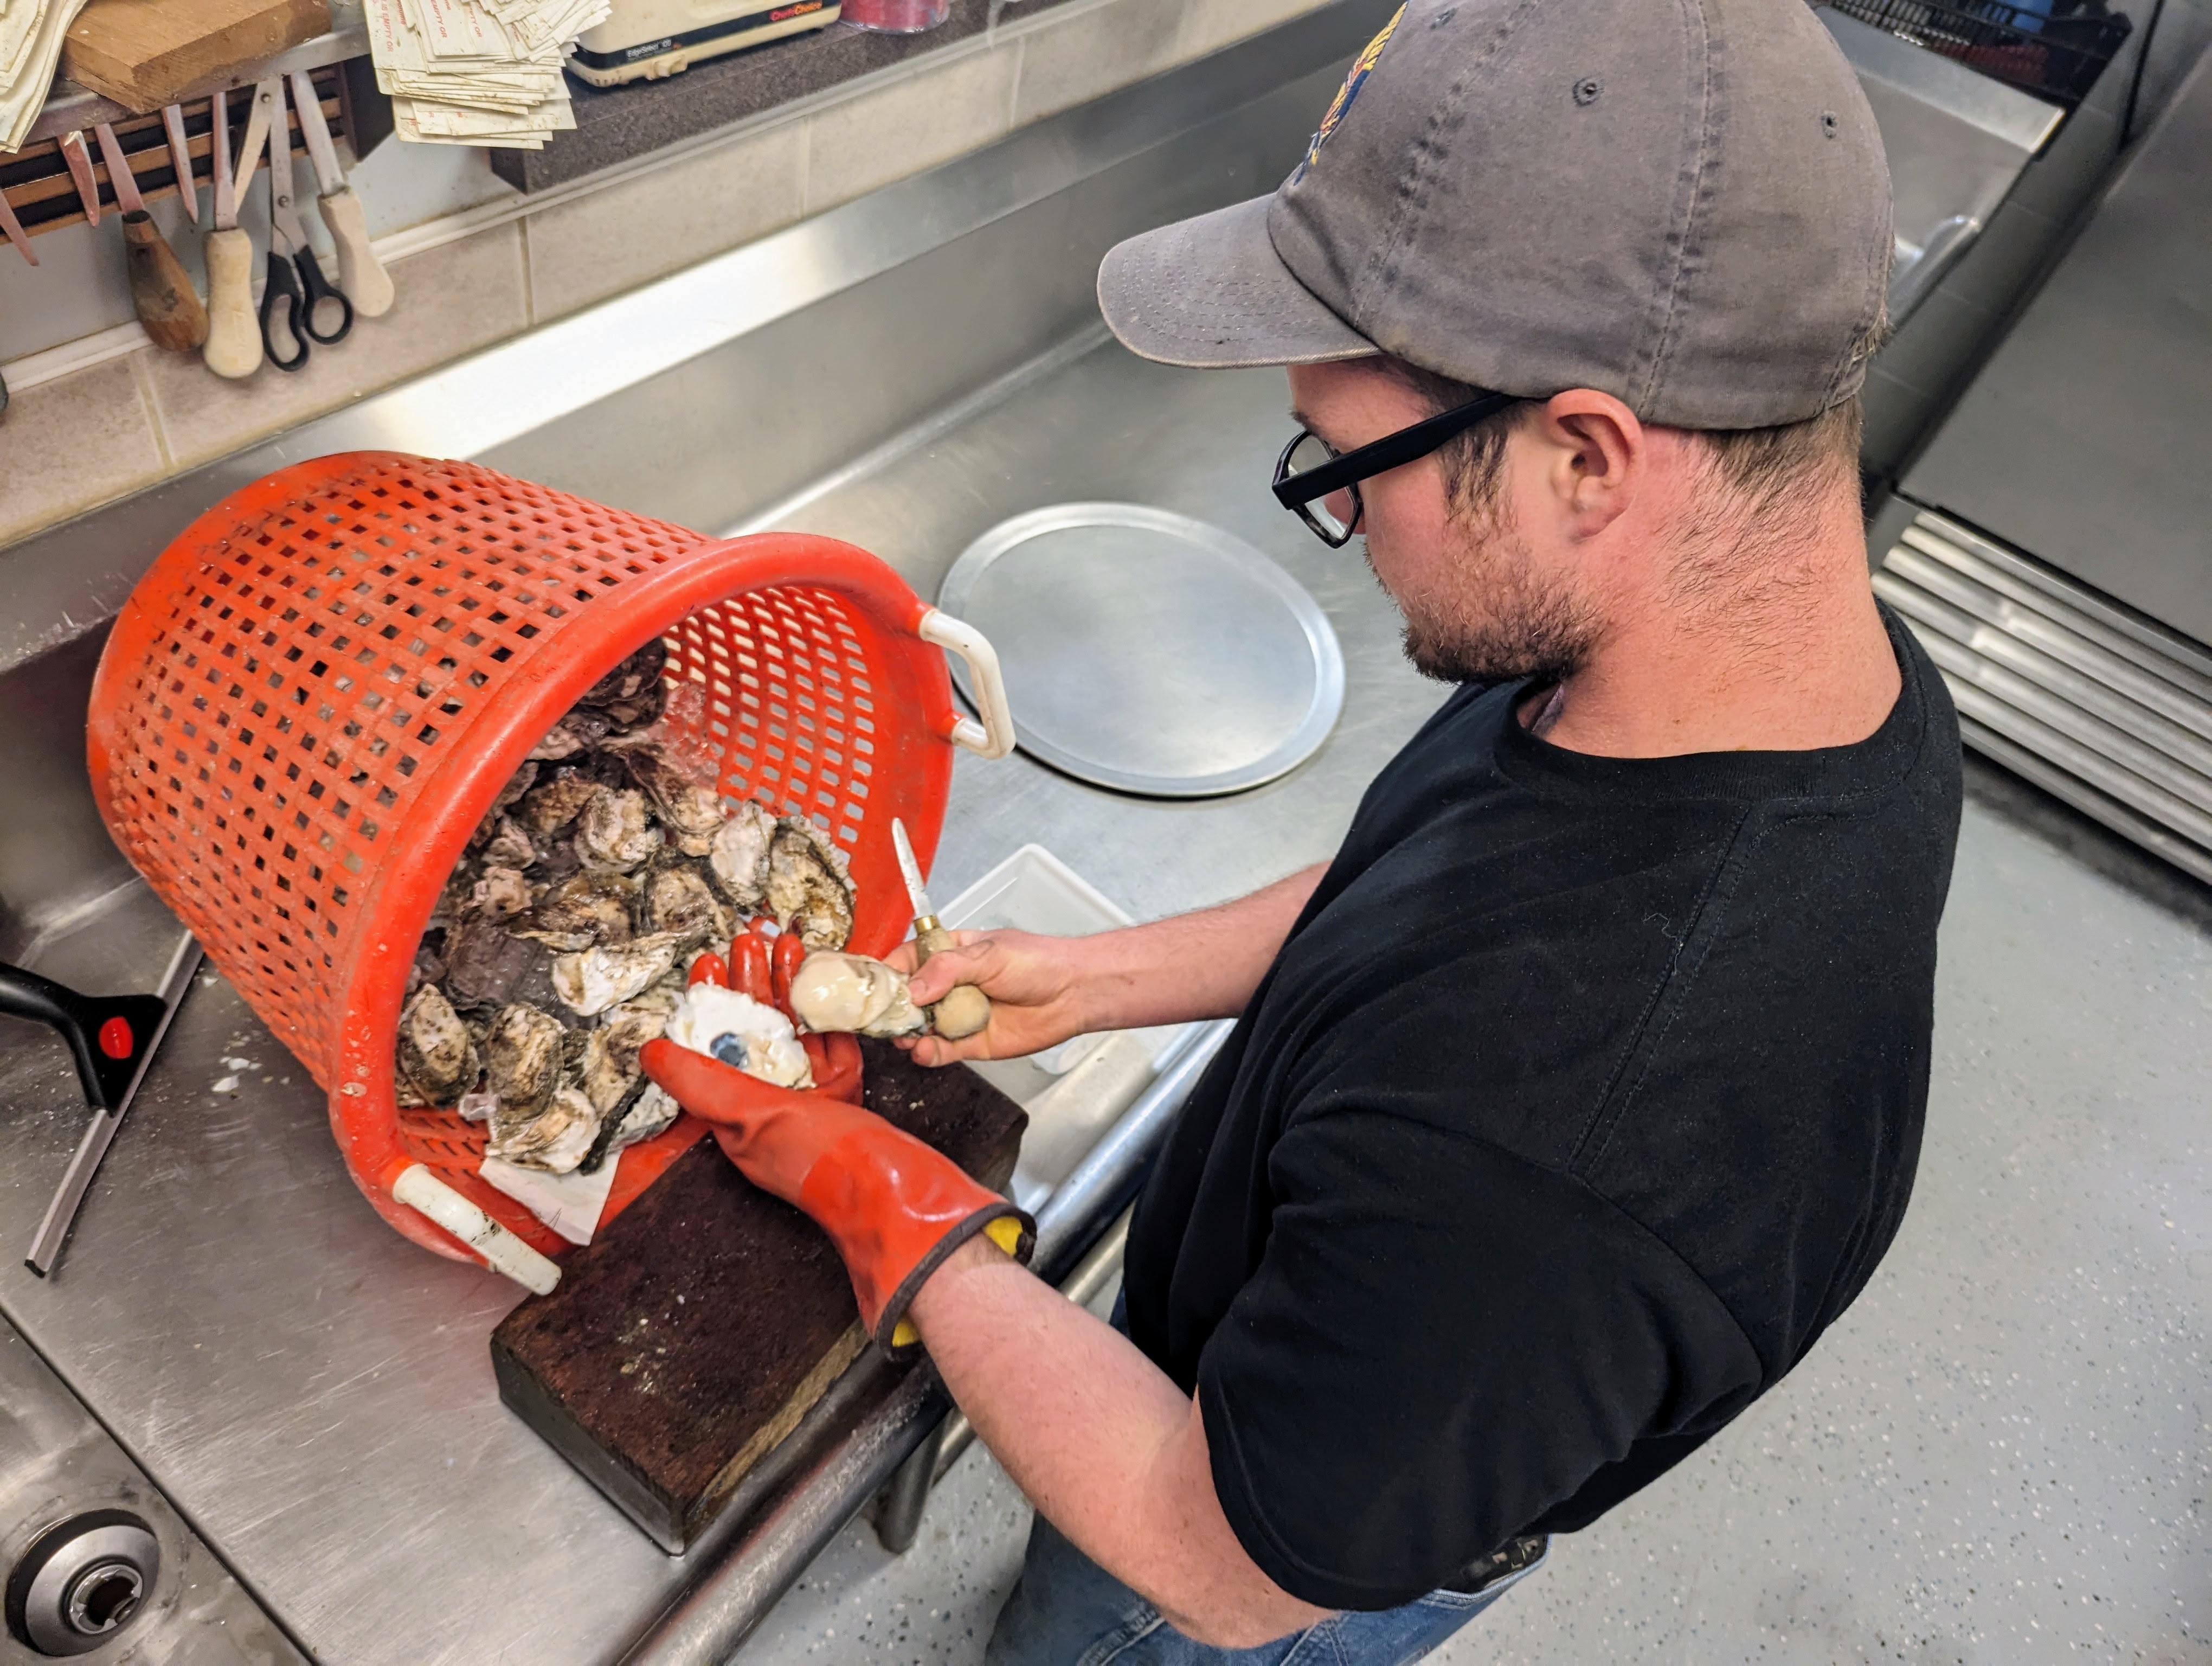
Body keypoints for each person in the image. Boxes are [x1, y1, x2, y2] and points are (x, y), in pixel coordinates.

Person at [638, 0, 1963, 1658]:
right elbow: (1450, 873)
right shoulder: (1769, 669)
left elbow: (1215, 1550)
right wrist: (1105, 978)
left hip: (1245, 1575)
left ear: (1587, 460)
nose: (1338, 520)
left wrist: (883, 1201)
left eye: (1342, 466)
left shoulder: (1557, 1150)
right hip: (1338, 1362)